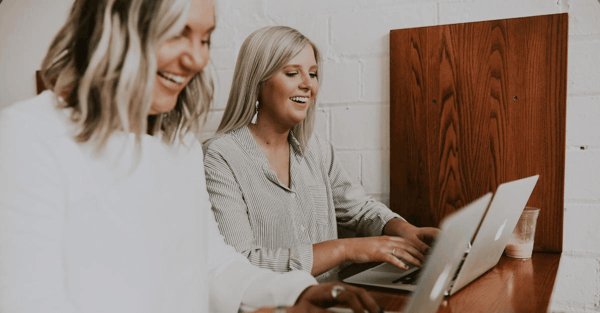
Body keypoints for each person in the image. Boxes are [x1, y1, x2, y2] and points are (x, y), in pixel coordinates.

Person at [0, 1, 381, 312]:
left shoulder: (178, 143)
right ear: (114, 26)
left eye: (205, 39)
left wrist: (293, 293)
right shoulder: (29, 136)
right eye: (178, 33)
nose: (197, 59)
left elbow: (211, 262)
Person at [203, 26, 439, 282]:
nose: (308, 84)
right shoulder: (219, 157)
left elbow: (358, 209)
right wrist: (345, 249)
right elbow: (242, 264)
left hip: (330, 301)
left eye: (313, 74)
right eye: (292, 73)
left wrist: (404, 230)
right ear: (257, 82)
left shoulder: (316, 150)